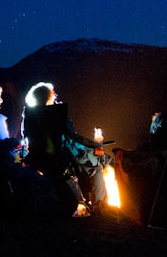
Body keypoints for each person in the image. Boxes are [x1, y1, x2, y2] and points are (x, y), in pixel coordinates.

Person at [22, 82, 107, 216]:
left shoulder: (29, 115)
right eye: (54, 95)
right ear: (50, 98)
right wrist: (95, 145)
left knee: (91, 159)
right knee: (97, 167)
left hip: (37, 157)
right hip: (61, 157)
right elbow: (71, 137)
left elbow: (26, 136)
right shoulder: (57, 115)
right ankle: (99, 207)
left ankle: (89, 203)